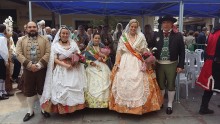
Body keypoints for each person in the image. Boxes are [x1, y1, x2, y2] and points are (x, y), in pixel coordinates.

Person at [109, 19, 163, 115]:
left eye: (135, 27)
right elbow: (119, 51)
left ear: (137, 28)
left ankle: (139, 108)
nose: (133, 28)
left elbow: (144, 50)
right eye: (132, 26)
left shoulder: (141, 37)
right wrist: (117, 63)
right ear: (129, 27)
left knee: (140, 80)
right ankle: (124, 107)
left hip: (137, 61)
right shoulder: (123, 37)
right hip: (125, 61)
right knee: (123, 79)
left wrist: (147, 55)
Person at [40, 27, 87, 114]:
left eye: (66, 33)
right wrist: (65, 65)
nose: (65, 35)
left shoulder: (73, 43)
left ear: (69, 34)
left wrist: (76, 61)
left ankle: (74, 107)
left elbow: (79, 54)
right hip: (61, 69)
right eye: (63, 33)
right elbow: (54, 59)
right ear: (60, 35)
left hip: (73, 68)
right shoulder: (55, 45)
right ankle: (63, 109)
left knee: (74, 86)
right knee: (63, 88)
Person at [16, 21, 51, 122]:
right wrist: (29, 65)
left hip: (41, 69)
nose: (32, 29)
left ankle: (43, 109)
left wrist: (39, 65)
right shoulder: (20, 40)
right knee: (29, 90)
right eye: (30, 27)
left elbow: (48, 53)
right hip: (28, 69)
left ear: (37, 28)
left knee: (42, 89)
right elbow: (18, 54)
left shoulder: (45, 39)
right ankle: (30, 111)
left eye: (34, 27)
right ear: (26, 29)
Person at [152, 15, 185, 115]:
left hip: (172, 64)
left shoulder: (178, 35)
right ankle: (161, 102)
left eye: (168, 22)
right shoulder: (157, 34)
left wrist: (180, 65)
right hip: (159, 64)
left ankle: (170, 104)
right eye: (164, 23)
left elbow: (182, 52)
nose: (165, 24)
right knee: (160, 84)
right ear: (161, 24)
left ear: (171, 24)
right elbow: (151, 47)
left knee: (171, 84)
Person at [196, 18, 220, 115]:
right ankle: (203, 108)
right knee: (210, 86)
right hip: (216, 63)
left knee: (209, 87)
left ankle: (203, 107)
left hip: (210, 62)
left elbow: (207, 47)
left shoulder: (212, 32)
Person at [84, 32, 111, 108]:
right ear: (92, 39)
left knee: (105, 78)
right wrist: (91, 62)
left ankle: (104, 103)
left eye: (98, 38)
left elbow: (106, 59)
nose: (97, 39)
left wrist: (103, 57)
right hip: (92, 67)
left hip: (102, 65)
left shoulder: (102, 47)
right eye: (95, 38)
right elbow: (85, 59)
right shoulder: (88, 48)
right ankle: (92, 103)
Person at [0, 24, 9, 100]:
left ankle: (3, 91)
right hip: (1, 59)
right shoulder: (2, 38)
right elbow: (4, 51)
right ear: (4, 30)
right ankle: (1, 93)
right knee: (2, 76)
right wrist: (6, 60)